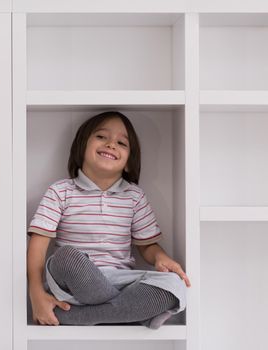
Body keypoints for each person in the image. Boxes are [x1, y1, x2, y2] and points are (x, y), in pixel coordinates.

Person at [27, 111, 190, 328]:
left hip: (120, 281)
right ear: (81, 146)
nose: (111, 144)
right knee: (66, 257)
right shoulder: (61, 191)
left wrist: (161, 257)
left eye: (122, 142)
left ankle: (81, 317)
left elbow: (148, 246)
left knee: (174, 285)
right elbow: (37, 248)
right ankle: (129, 313)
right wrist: (36, 294)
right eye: (102, 137)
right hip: (73, 283)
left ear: (129, 163)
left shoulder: (134, 196)